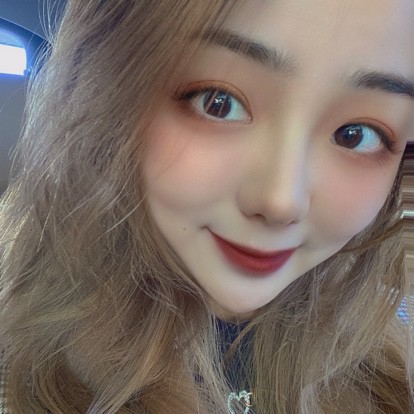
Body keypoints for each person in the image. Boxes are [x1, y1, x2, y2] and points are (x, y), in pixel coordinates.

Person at [0, 0, 413, 413]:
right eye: (218, 102)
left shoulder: (393, 345)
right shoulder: (16, 354)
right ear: (106, 96)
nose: (281, 201)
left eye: (356, 134)